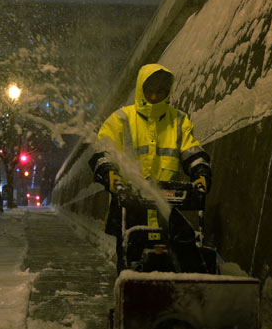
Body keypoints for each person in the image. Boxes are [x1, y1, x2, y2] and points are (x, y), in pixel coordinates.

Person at [88, 64, 211, 274]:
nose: (154, 95)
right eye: (150, 90)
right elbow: (103, 152)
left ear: (167, 91)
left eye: (160, 91)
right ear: (140, 89)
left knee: (173, 261)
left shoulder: (179, 121)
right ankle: (128, 301)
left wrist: (201, 173)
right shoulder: (121, 120)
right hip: (130, 206)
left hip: (167, 206)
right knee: (130, 260)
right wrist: (108, 172)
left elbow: (192, 152)